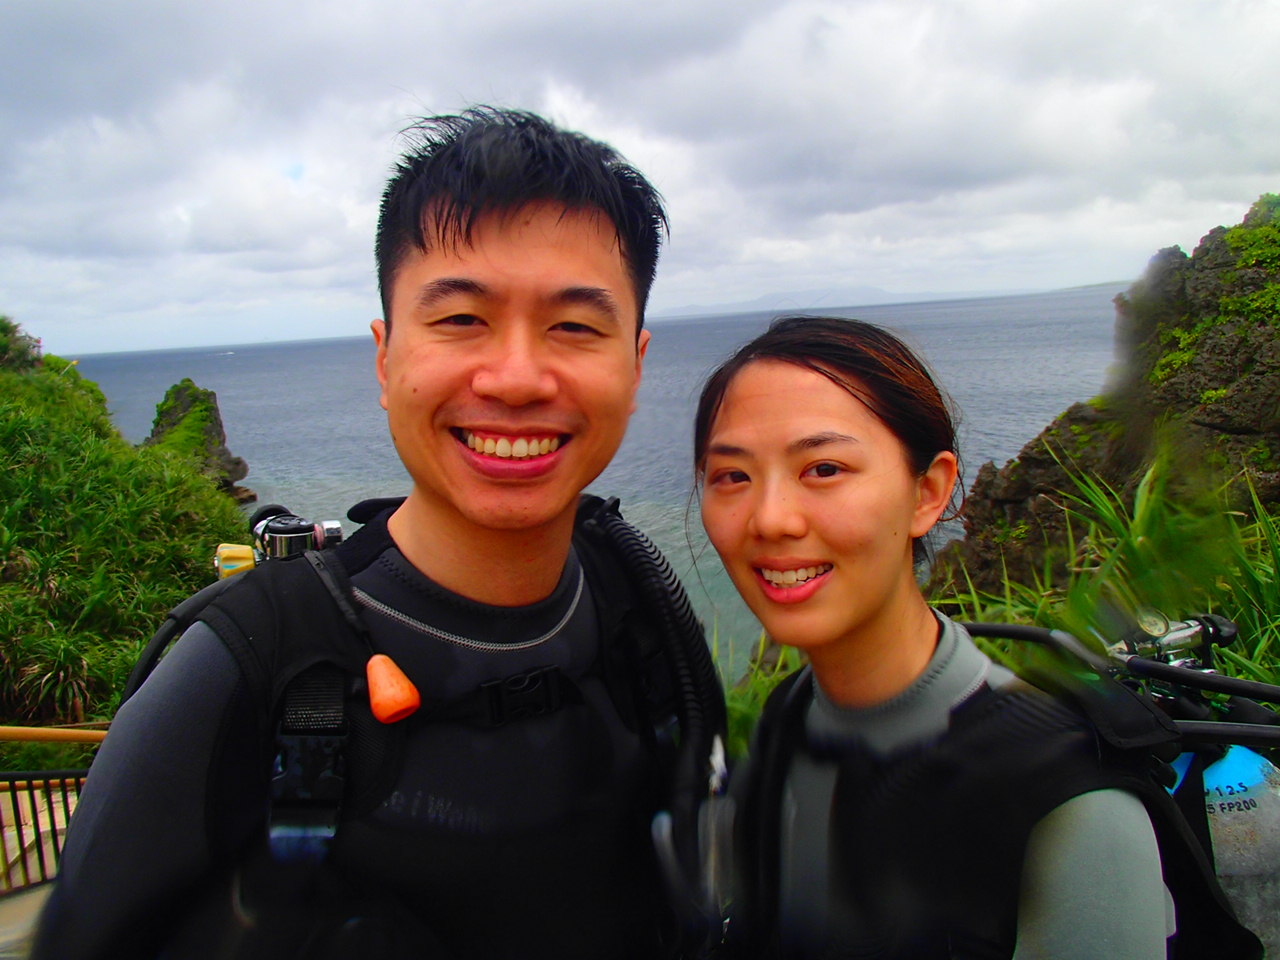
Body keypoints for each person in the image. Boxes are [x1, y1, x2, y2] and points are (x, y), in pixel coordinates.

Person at [34, 107, 725, 960]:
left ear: (636, 363)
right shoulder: (245, 670)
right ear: (385, 357)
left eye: (576, 327)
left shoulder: (640, 614)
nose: (516, 378)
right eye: (461, 319)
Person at [694, 315, 1260, 959]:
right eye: (731, 476)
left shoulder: (1068, 803)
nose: (769, 519)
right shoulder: (790, 712)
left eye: (823, 468)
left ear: (928, 492)